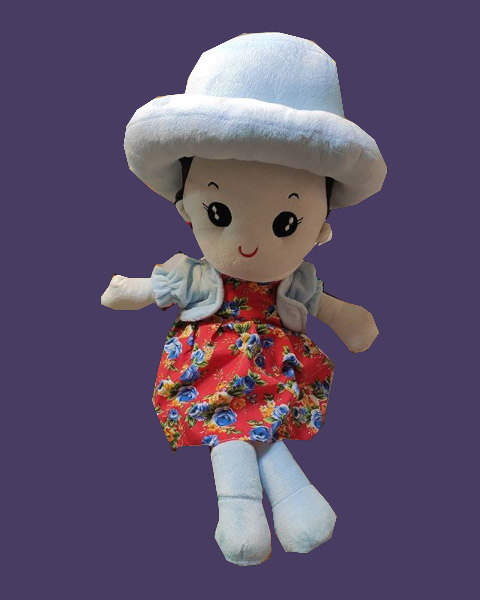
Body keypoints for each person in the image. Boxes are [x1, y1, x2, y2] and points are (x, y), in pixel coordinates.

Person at [101, 32, 386, 566]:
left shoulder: (294, 283)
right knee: (235, 427)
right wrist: (132, 291)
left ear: (320, 224)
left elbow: (326, 305)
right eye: (220, 214)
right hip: (211, 366)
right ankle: (251, 510)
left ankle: (274, 510)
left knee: (251, 424)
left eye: (287, 222)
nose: (250, 244)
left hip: (272, 364)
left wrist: (348, 320)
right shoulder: (195, 275)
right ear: (188, 208)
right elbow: (155, 289)